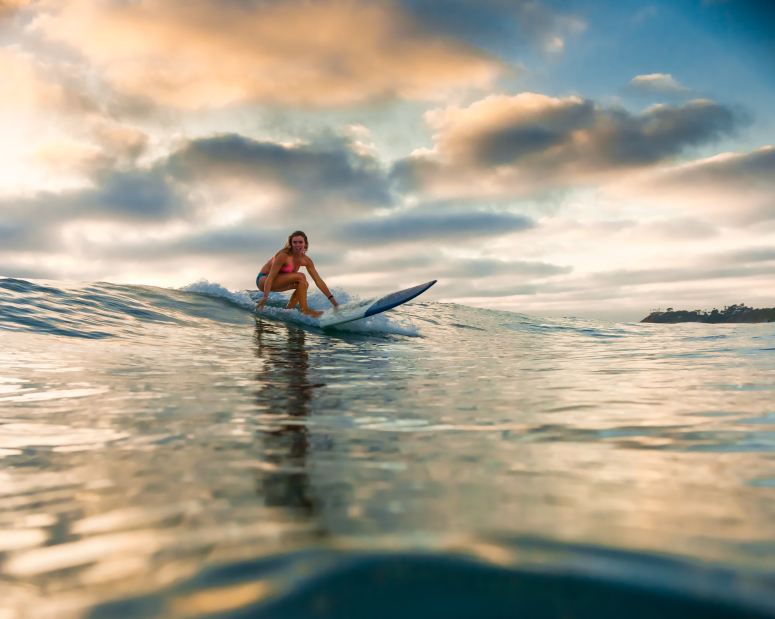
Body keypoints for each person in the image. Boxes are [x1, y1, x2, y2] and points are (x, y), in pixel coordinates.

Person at [255, 231, 339, 318]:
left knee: (304, 284)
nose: (297, 245)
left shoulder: (306, 260)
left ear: (305, 244)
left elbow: (318, 280)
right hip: (264, 280)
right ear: (290, 244)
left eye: (300, 242)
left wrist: (333, 301)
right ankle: (305, 311)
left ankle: (288, 311)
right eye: (294, 242)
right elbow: (271, 276)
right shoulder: (284, 255)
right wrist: (265, 296)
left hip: (277, 281)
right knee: (301, 276)